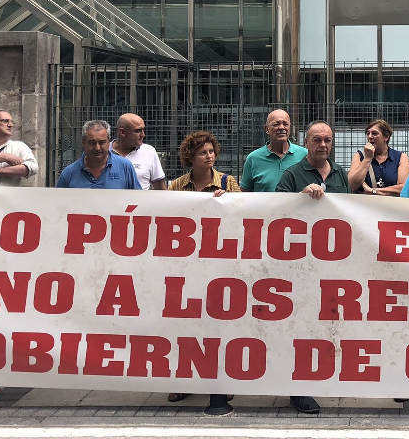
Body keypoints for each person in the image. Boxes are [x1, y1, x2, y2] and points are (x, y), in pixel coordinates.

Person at [272, 121, 344, 415]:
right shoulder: (293, 174)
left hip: (334, 265)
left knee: (324, 325)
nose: (323, 145)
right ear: (306, 142)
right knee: (298, 325)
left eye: (327, 140)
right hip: (300, 266)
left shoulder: (340, 174)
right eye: (317, 140)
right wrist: (300, 195)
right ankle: (297, 389)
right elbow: (274, 210)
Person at [166, 130, 238, 415]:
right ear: (190, 158)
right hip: (186, 265)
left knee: (220, 325)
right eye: (202, 153)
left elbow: (244, 215)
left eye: (211, 152)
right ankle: (183, 380)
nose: (209, 157)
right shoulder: (176, 186)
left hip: (220, 264)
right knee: (185, 324)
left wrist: (228, 202)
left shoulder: (228, 182)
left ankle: (222, 380)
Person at [56, 120, 140, 190]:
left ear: (108, 141)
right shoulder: (69, 173)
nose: (97, 148)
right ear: (83, 143)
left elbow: (137, 200)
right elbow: (58, 205)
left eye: (102, 142)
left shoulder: (125, 167)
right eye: (92, 143)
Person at [240, 109, 308, 192]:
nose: (282, 127)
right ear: (267, 129)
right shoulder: (253, 159)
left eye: (285, 124)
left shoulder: (304, 154)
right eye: (276, 124)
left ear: (290, 127)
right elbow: (245, 194)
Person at [347, 119, 409, 195]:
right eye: (368, 133)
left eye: (374, 133)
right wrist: (367, 159)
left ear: (386, 137)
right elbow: (350, 185)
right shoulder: (360, 156)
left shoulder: (401, 157)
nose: (370, 136)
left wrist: (373, 191)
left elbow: (404, 188)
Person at [111, 113, 166, 190]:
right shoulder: (103, 152)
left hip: (141, 201)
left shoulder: (149, 152)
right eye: (138, 131)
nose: (143, 135)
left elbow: (161, 189)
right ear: (122, 132)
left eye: (143, 130)